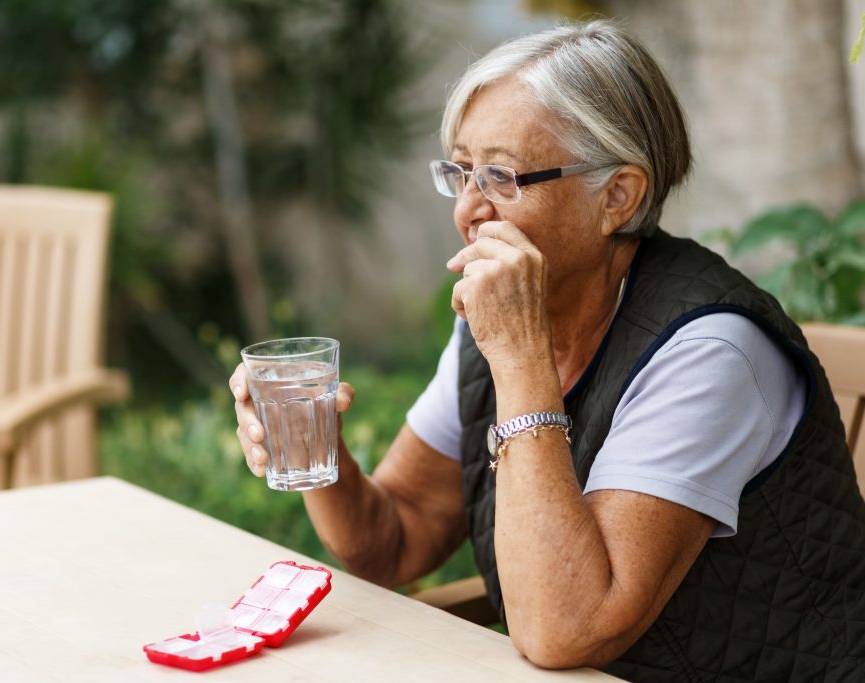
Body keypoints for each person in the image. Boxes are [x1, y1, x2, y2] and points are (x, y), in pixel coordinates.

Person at [230, 20, 865, 682]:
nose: (468, 210)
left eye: (501, 176)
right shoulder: (501, 324)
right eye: (461, 171)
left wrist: (519, 357)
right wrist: (319, 451)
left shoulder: (710, 350)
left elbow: (566, 630)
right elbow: (395, 539)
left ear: (616, 197)